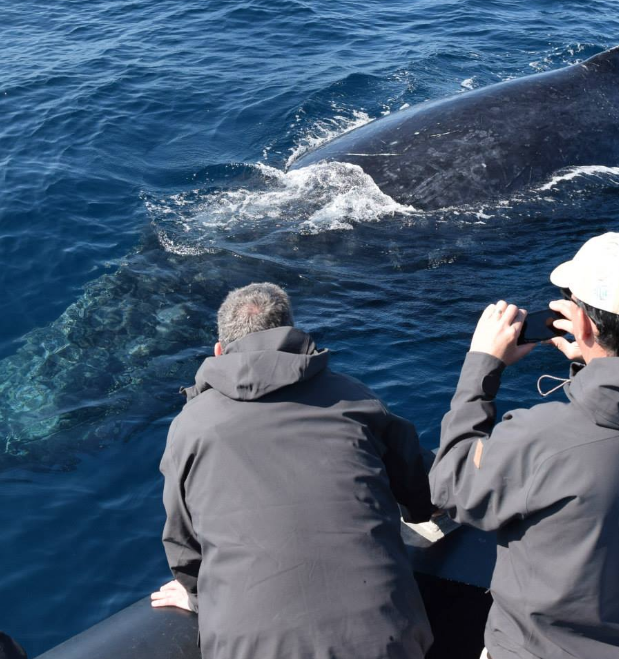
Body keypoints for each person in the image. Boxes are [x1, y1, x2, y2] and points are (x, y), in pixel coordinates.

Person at [428, 230, 619, 659]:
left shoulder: (543, 436)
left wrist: (482, 366)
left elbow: (450, 486)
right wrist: (592, 366)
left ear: (585, 324)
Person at [150, 282, 434, 659]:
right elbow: (418, 487)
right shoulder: (355, 397)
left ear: (219, 350)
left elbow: (183, 544)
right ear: (293, 334)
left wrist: (199, 596)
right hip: (385, 637)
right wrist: (421, 510)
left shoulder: (190, 426)